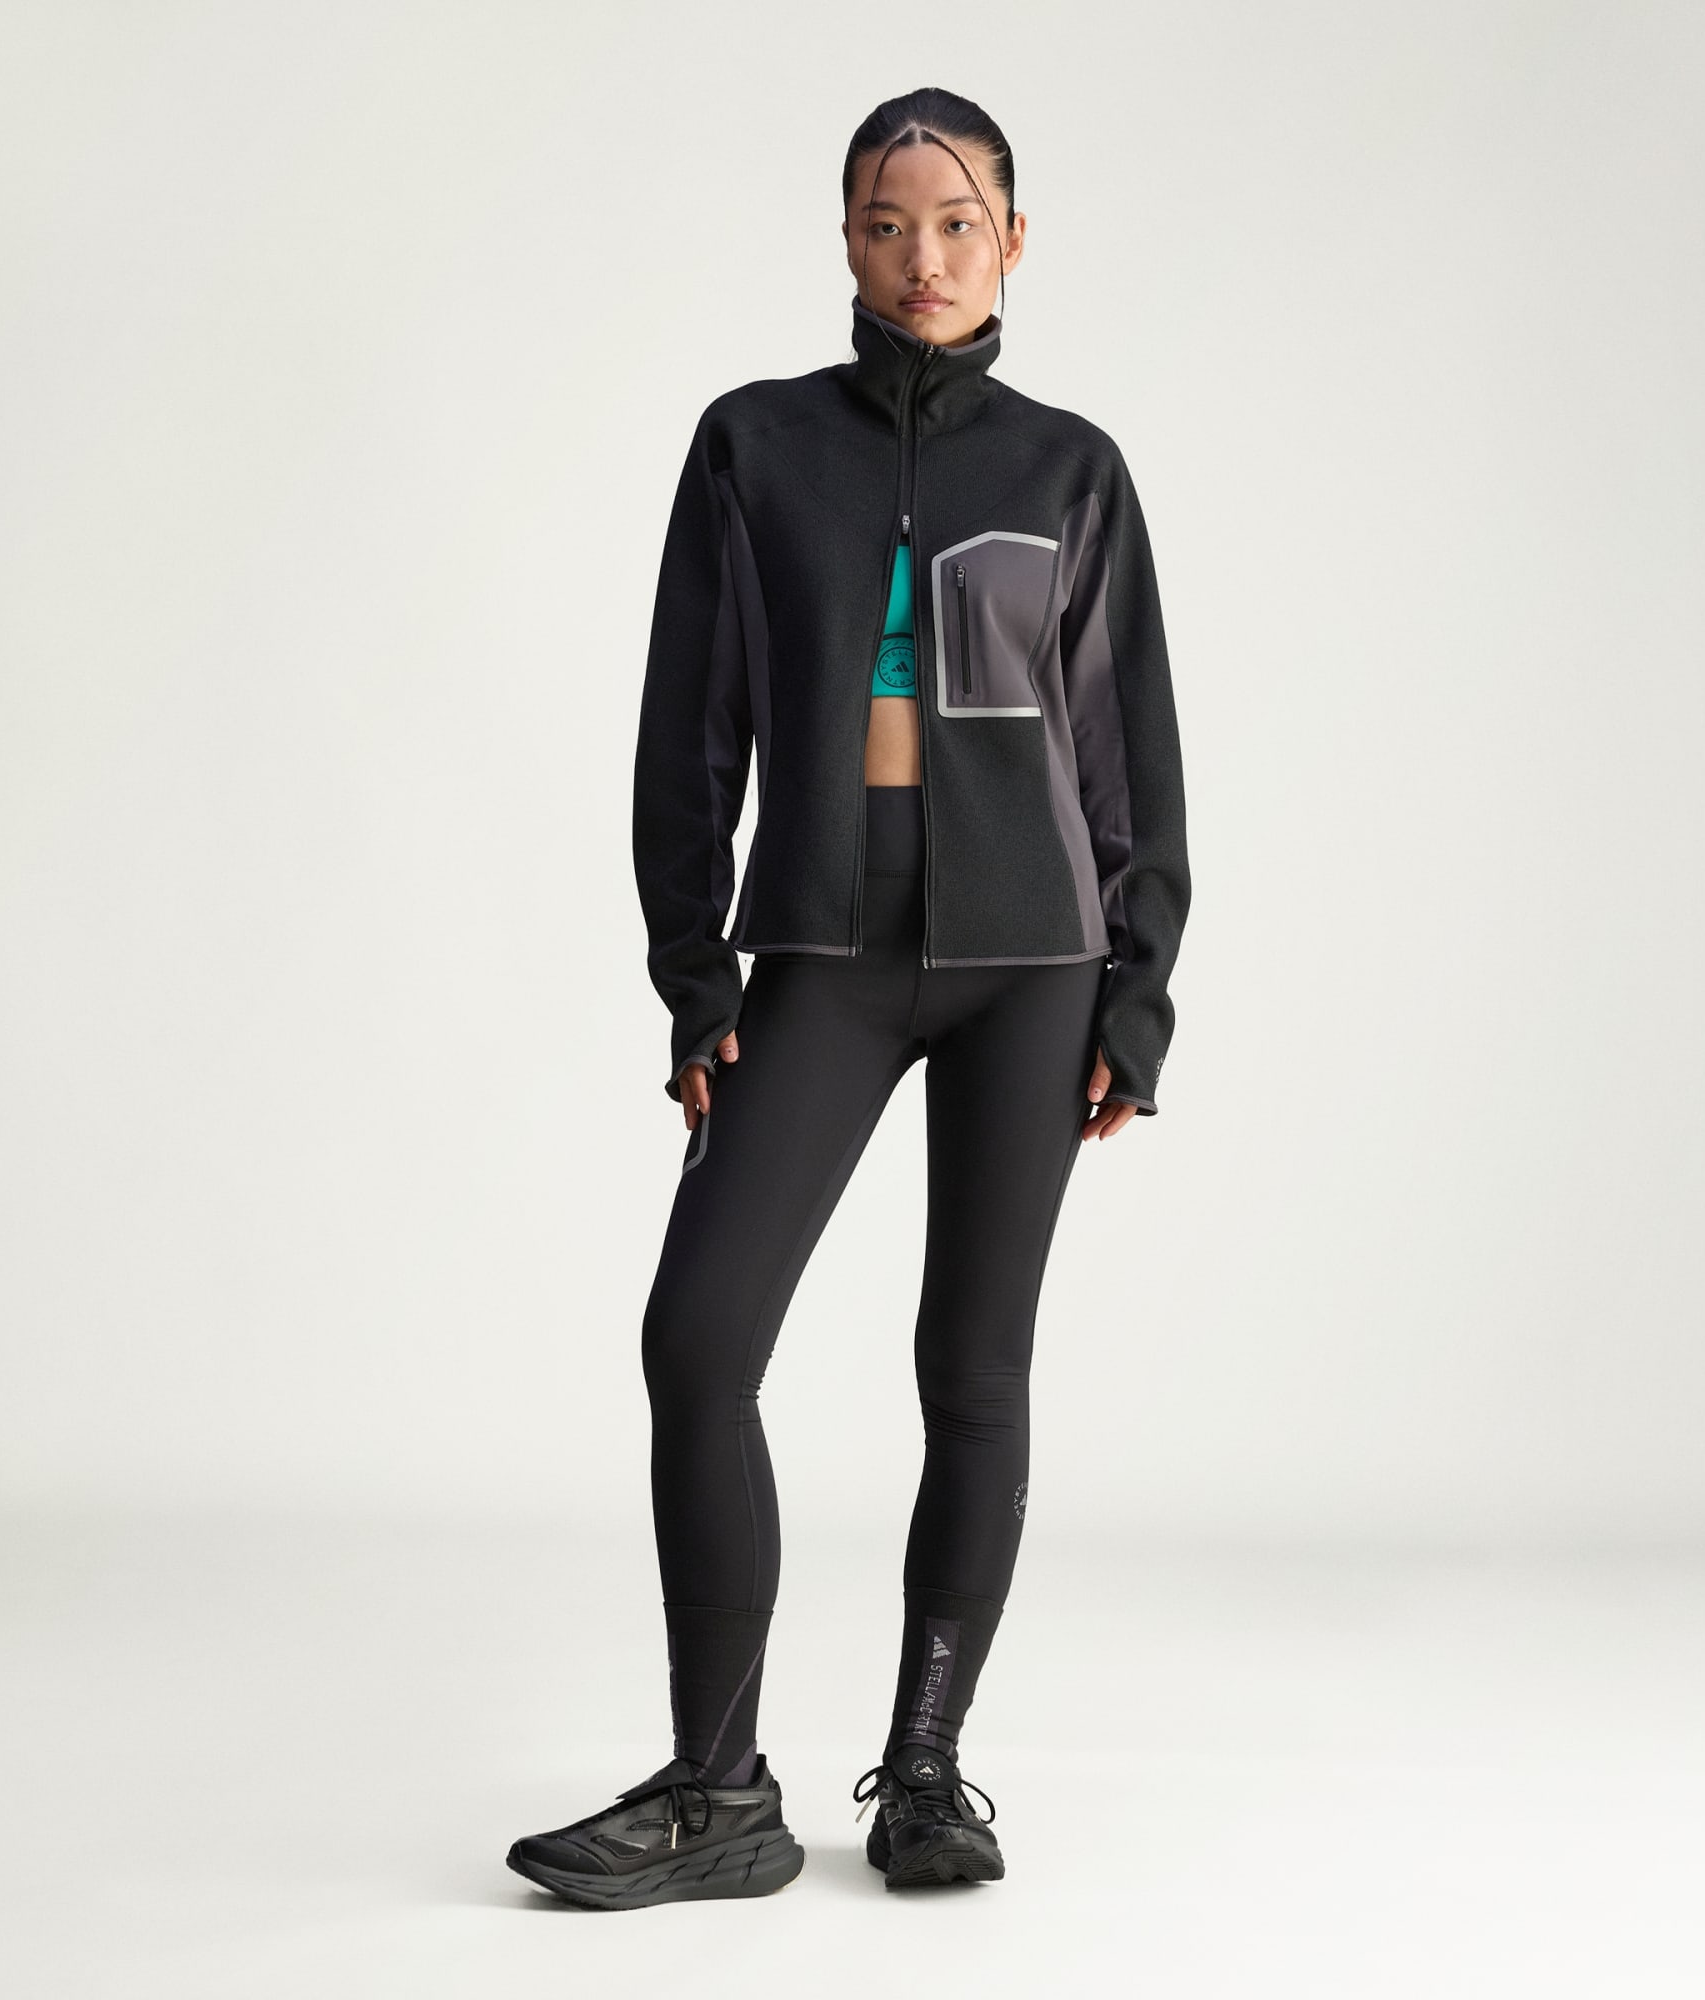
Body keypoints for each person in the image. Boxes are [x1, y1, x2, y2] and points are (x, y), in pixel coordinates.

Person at [506, 85, 1190, 1910]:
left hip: (1033, 969)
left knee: (972, 1368)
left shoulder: (1070, 470)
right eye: (889, 225)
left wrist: (1138, 994)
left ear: (1013, 242)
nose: (923, 257)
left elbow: (1127, 749)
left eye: (956, 224)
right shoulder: (755, 446)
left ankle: (929, 1772)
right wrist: (694, 972)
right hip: (822, 952)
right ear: (846, 243)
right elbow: (688, 728)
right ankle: (720, 1791)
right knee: (700, 1340)